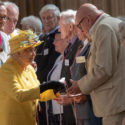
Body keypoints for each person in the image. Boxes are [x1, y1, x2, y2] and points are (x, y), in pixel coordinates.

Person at [67, 3, 125, 125]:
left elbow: (103, 69)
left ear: (88, 19)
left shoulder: (103, 28)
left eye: (80, 25)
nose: (81, 30)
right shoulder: (112, 22)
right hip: (116, 100)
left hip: (113, 102)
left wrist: (80, 84)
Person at [0, 30, 65, 125]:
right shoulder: (6, 71)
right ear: (18, 53)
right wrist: (45, 86)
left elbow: (39, 94)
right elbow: (19, 95)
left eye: (34, 49)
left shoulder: (29, 68)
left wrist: (54, 90)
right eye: (29, 50)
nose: (34, 53)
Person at [35, 4, 60, 125]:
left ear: (58, 18)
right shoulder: (42, 38)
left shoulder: (59, 36)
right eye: (43, 18)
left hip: (50, 87)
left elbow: (52, 64)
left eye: (49, 17)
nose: (46, 21)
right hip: (40, 87)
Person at [47, 32, 68, 125]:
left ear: (66, 40)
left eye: (56, 40)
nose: (53, 42)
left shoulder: (70, 58)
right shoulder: (59, 57)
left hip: (64, 108)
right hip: (55, 108)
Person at [0, 2, 10, 66]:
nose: (3, 20)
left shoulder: (5, 37)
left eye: (5, 17)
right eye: (0, 17)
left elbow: (8, 60)